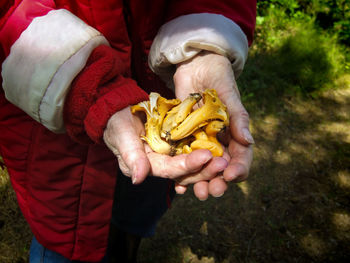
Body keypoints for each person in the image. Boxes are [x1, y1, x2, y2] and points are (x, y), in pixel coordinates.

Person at [0, 0, 256, 262]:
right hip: (60, 145)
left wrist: (201, 46)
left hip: (153, 107)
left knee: (135, 218)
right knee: (69, 241)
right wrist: (88, 86)